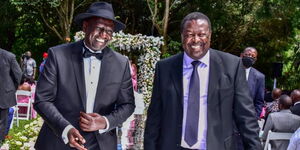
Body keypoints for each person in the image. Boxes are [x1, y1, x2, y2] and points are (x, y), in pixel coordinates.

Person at [144, 12, 262, 150]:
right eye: (189, 35)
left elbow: (246, 117)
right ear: (182, 36)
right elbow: (154, 119)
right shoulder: (164, 68)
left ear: (210, 35)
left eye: (201, 34)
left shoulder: (232, 66)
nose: (195, 40)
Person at [33, 2, 135, 150]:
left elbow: (127, 104)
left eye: (109, 31)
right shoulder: (58, 55)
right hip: (58, 141)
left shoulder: (121, 63)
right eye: (99, 28)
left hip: (101, 144)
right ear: (85, 26)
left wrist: (105, 121)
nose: (104, 35)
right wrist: (66, 129)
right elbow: (42, 99)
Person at [0, 48, 22, 146]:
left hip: (5, 93)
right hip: (5, 93)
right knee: (2, 121)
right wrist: (11, 87)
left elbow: (18, 75)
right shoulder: (9, 56)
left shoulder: (9, 56)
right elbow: (18, 75)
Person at [240, 47, 265, 118]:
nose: (250, 57)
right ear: (241, 55)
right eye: (248, 54)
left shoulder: (259, 77)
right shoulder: (231, 70)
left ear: (255, 60)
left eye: (253, 56)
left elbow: (259, 101)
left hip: (247, 117)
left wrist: (255, 117)